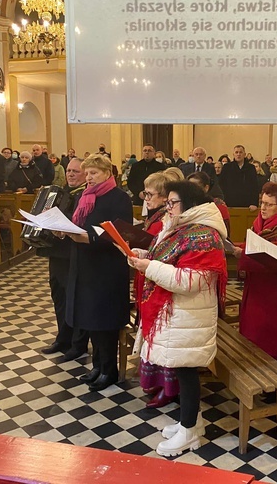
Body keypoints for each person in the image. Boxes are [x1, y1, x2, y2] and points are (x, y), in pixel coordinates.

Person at [129, 181, 227, 457]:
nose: (167, 208)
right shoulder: (183, 228)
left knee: (187, 371)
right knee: (183, 371)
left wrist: (150, 267)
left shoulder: (205, 235)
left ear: (190, 205)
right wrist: (144, 257)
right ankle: (191, 423)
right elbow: (171, 261)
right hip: (179, 314)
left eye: (172, 203)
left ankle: (189, 430)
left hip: (188, 314)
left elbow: (189, 280)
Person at [62, 154, 132, 392]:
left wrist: (87, 237)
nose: (89, 177)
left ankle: (109, 370)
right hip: (84, 265)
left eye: (94, 173)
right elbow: (79, 225)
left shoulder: (120, 198)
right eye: (87, 173)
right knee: (90, 320)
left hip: (107, 269)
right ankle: (96, 365)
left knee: (105, 322)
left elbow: (119, 234)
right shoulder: (85, 196)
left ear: (107, 174)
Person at [233, 182, 277, 364]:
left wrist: (243, 253)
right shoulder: (260, 223)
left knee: (271, 338)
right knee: (253, 334)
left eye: (269, 204)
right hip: (256, 287)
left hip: (274, 291)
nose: (263, 207)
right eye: (262, 202)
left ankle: (272, 383)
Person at [38, 157, 89, 362]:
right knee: (59, 296)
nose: (70, 174)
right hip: (56, 252)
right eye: (68, 171)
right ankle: (63, 338)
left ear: (85, 174)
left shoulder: (86, 195)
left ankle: (79, 343)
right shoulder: (62, 192)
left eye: (75, 171)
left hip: (73, 252)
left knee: (74, 299)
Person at [134, 172, 176, 408]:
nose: (146, 199)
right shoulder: (156, 218)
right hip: (149, 276)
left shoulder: (164, 221)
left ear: (164, 198)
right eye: (145, 194)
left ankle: (166, 386)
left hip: (160, 283)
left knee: (161, 339)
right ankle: (154, 383)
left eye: (150, 194)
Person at [187, 171, 230, 236]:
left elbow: (226, 232)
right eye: (188, 187)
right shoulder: (184, 205)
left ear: (206, 188)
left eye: (194, 187)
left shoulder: (218, 205)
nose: (190, 190)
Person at [218, 145, 259, 210]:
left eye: (240, 152)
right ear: (233, 154)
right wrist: (223, 202)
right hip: (230, 203)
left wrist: (254, 203)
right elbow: (222, 185)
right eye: (236, 152)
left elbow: (254, 186)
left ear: (244, 154)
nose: (238, 154)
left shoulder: (251, 168)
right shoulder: (227, 167)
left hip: (247, 204)